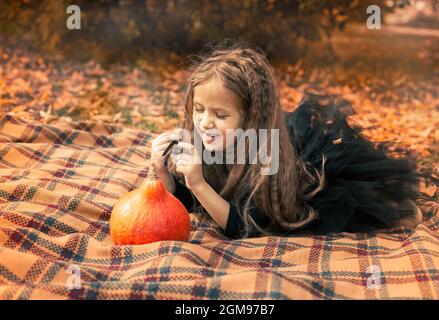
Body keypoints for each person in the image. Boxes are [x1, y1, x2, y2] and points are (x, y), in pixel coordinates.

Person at [150, 40, 424, 239]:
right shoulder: (206, 140)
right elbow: (190, 203)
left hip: (303, 183)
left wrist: (198, 183)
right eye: (198, 110)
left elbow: (243, 227)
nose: (205, 121)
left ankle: (393, 202)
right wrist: (163, 175)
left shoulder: (266, 160)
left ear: (249, 119)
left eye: (220, 115)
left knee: (355, 201)